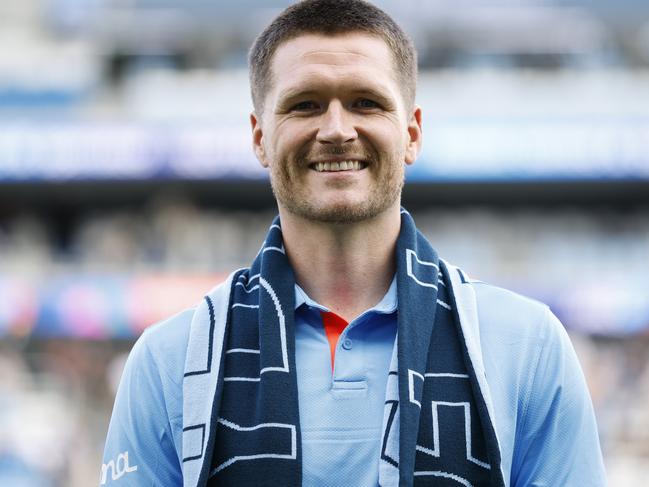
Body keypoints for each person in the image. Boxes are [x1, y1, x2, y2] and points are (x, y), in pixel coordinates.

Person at [100, 1, 606, 485]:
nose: (337, 130)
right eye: (305, 105)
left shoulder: (528, 346)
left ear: (411, 133)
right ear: (259, 137)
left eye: (365, 102)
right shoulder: (168, 362)